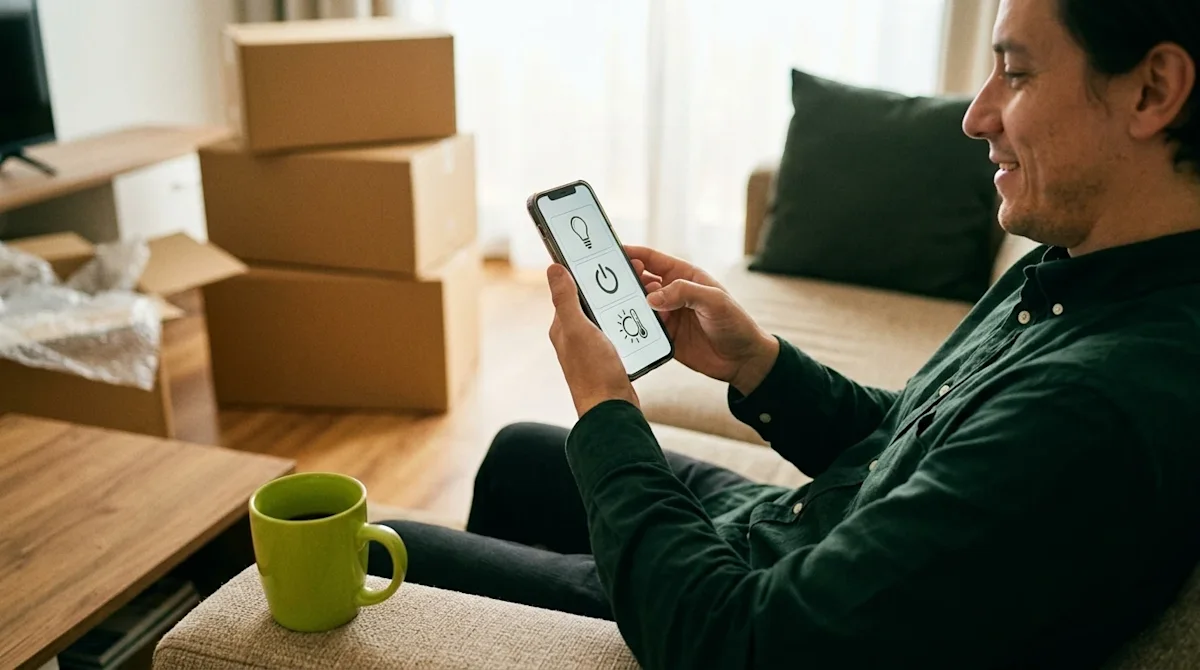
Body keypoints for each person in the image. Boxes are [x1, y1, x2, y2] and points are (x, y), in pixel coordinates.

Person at [370, 0, 1200, 666]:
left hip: (732, 606)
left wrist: (609, 407)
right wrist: (757, 362)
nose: (976, 115)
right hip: (809, 528)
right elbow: (909, 436)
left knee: (376, 551)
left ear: (1152, 90)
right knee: (521, 453)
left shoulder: (1100, 405)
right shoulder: (1073, 264)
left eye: (1015, 72)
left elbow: (738, 641)